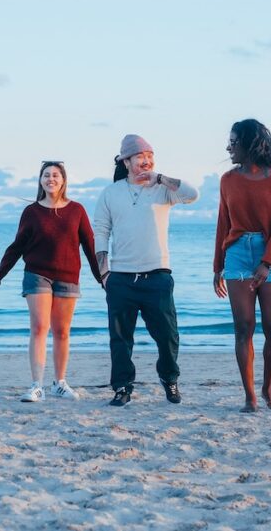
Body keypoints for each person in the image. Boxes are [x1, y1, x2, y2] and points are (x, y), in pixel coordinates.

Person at [0, 162, 104, 402]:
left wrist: (103, 278)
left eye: (55, 175)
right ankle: (37, 386)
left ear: (63, 180)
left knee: (62, 332)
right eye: (46, 175)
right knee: (39, 327)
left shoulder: (77, 210)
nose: (51, 179)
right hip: (37, 274)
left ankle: (60, 383)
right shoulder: (32, 212)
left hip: (68, 276)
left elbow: (90, 246)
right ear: (40, 180)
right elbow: (17, 247)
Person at [94, 134, 199, 407]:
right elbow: (101, 231)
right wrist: (104, 273)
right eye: (140, 156)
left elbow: (192, 194)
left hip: (158, 276)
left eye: (150, 156)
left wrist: (160, 178)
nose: (146, 161)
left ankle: (169, 378)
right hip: (121, 277)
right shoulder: (111, 193)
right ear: (126, 162)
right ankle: (122, 387)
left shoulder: (163, 189)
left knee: (168, 336)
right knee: (120, 339)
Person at [213, 119, 271, 413]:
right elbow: (223, 222)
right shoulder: (227, 180)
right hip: (237, 253)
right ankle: (250, 397)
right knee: (243, 327)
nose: (229, 148)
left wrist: (267, 262)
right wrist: (217, 266)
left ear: (251, 143)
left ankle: (267, 387)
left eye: (233, 142)